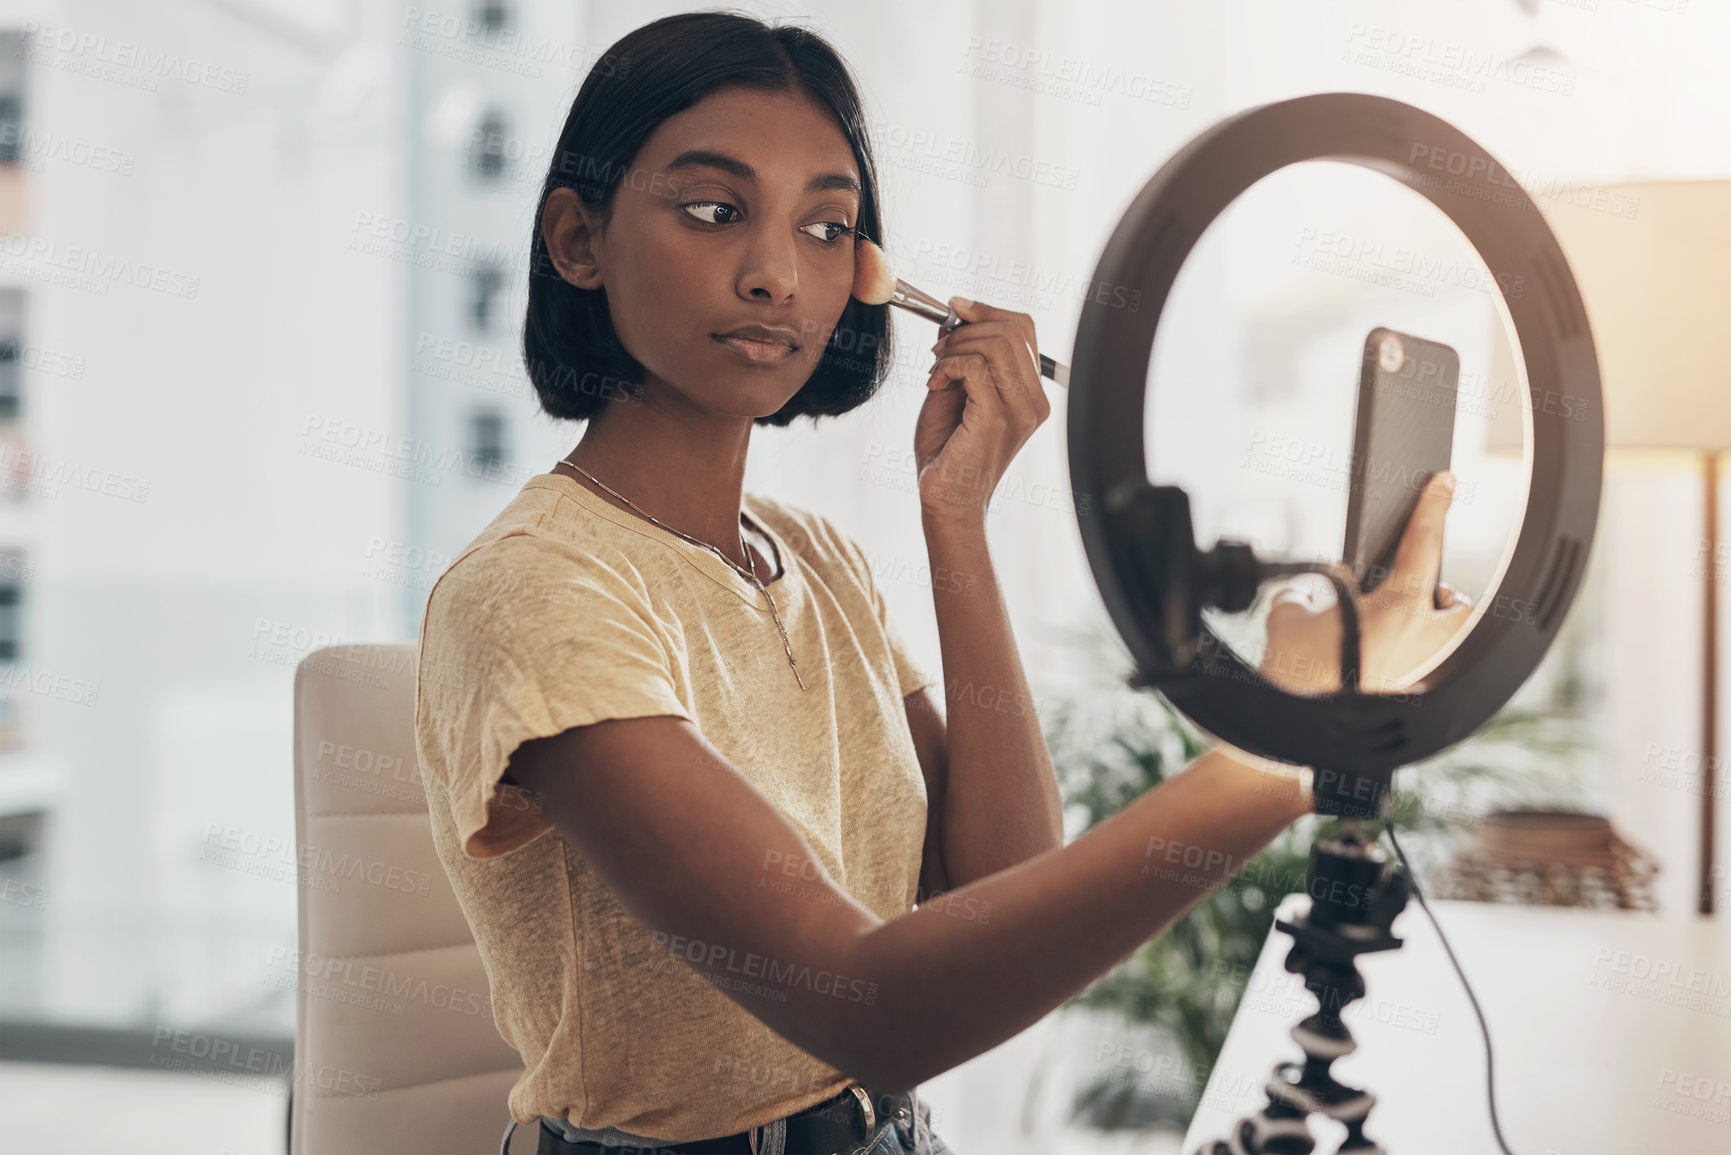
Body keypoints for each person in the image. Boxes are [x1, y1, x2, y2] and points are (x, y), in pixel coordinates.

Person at [412, 12, 1472, 1155]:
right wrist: (1278, 748)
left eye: (828, 228)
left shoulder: (813, 558)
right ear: (579, 238)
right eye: (715, 211)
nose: (777, 276)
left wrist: (955, 518)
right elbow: (872, 1007)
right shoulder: (533, 594)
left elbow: (999, 877)